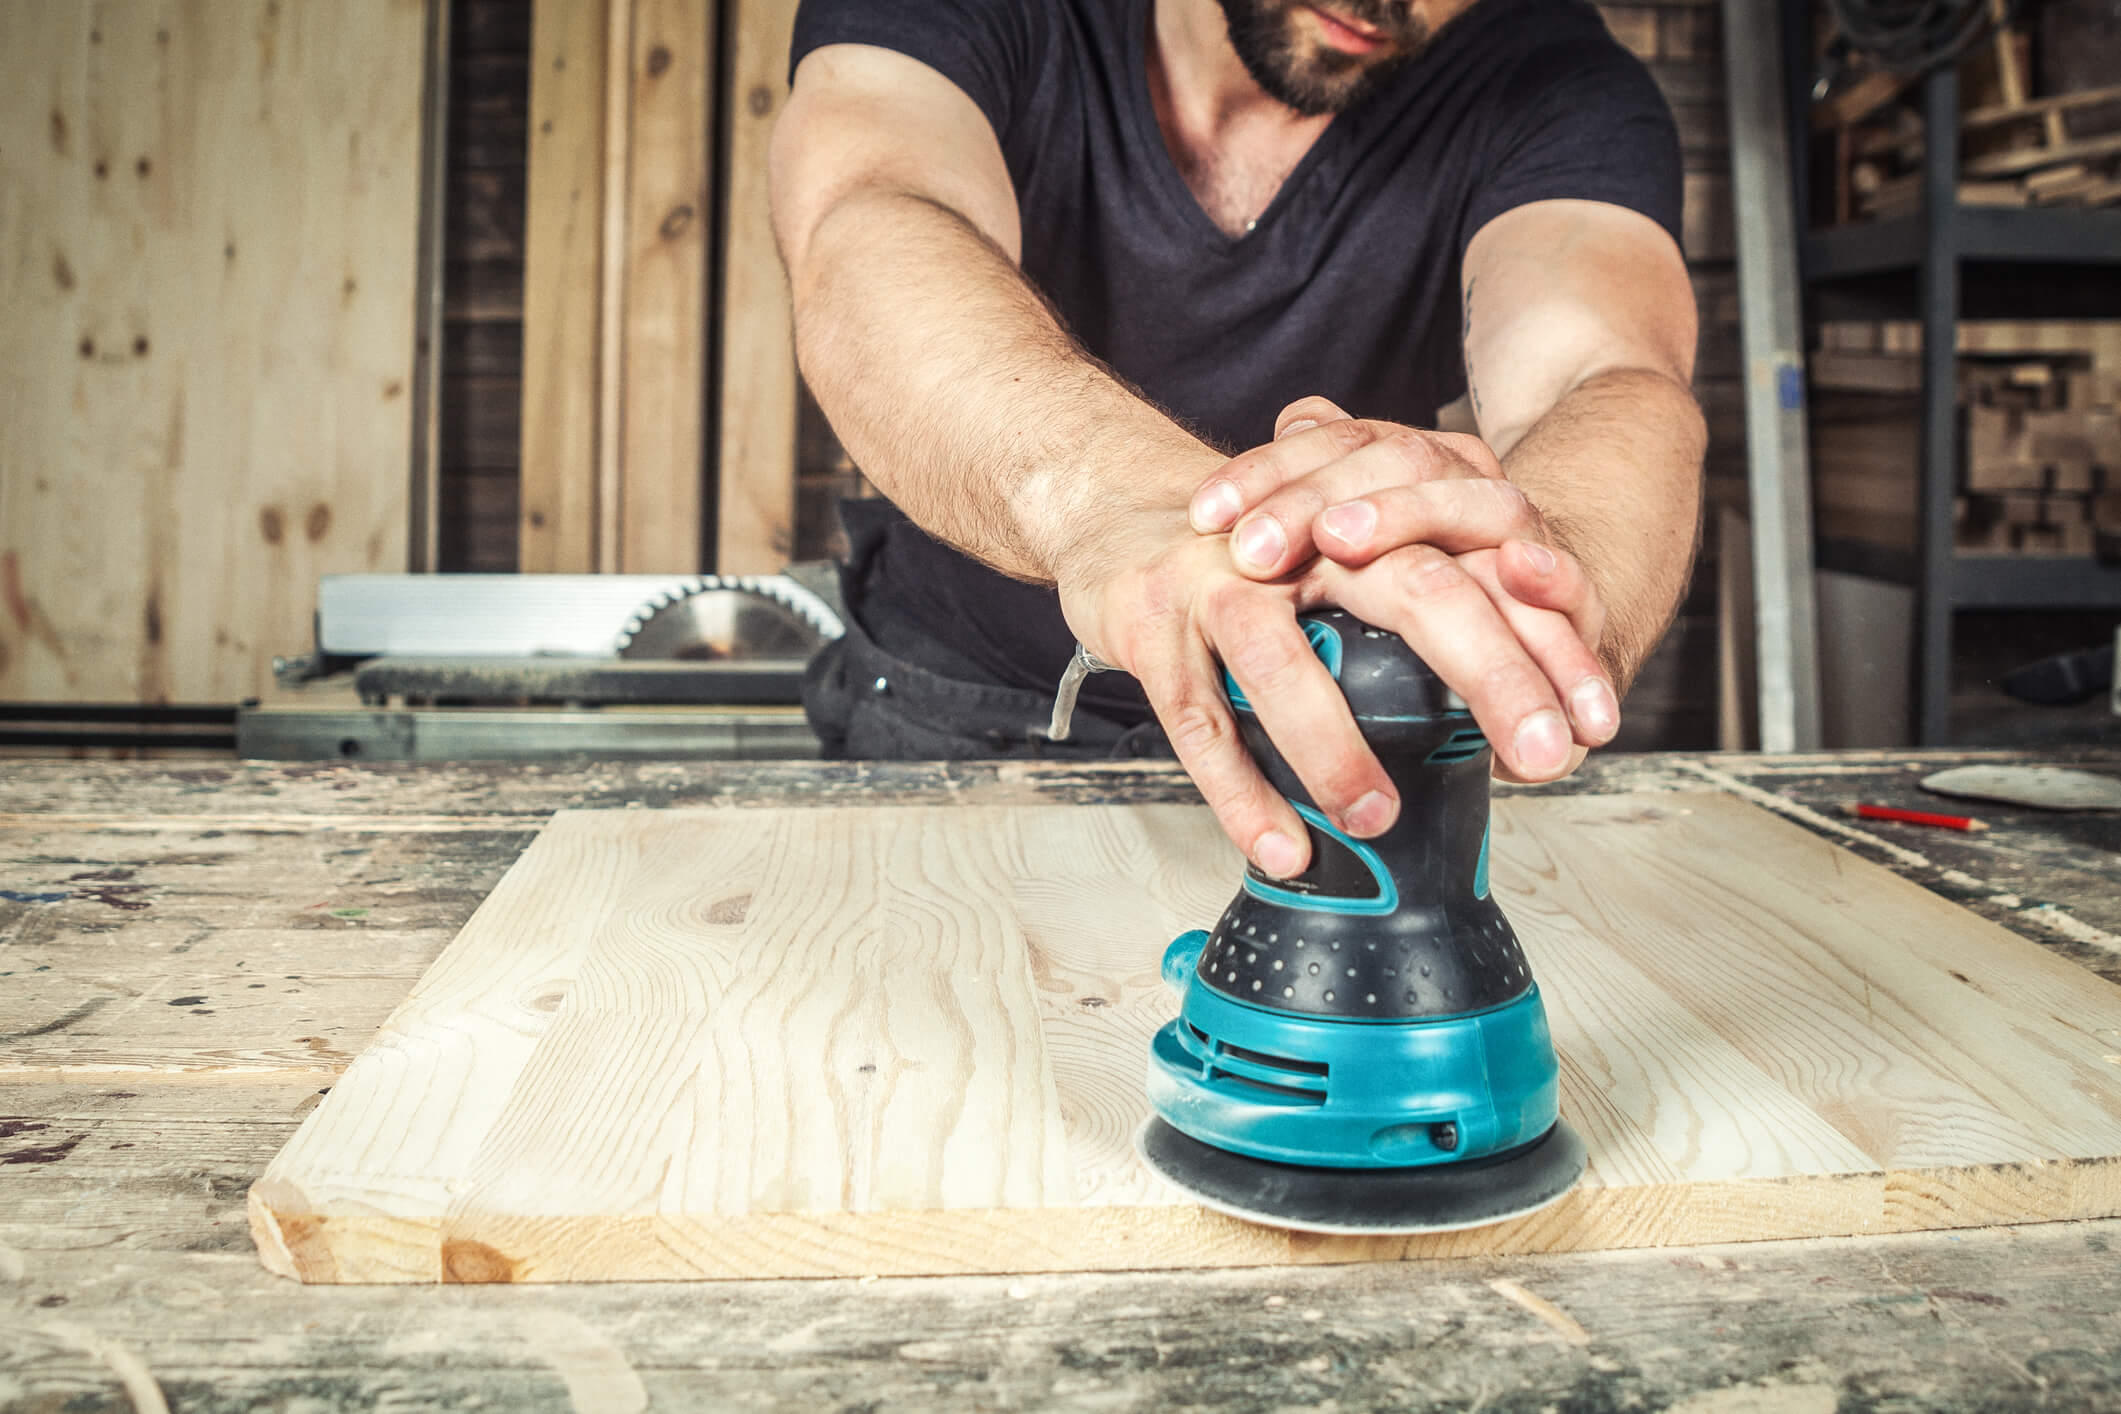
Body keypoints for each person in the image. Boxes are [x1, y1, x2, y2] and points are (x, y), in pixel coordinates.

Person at [774, 0, 1704, 880]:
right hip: (955, 703)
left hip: (1324, 742)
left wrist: (1551, 570)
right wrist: (1128, 509)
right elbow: (870, 218)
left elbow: (1600, 373)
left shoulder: (1557, 81)